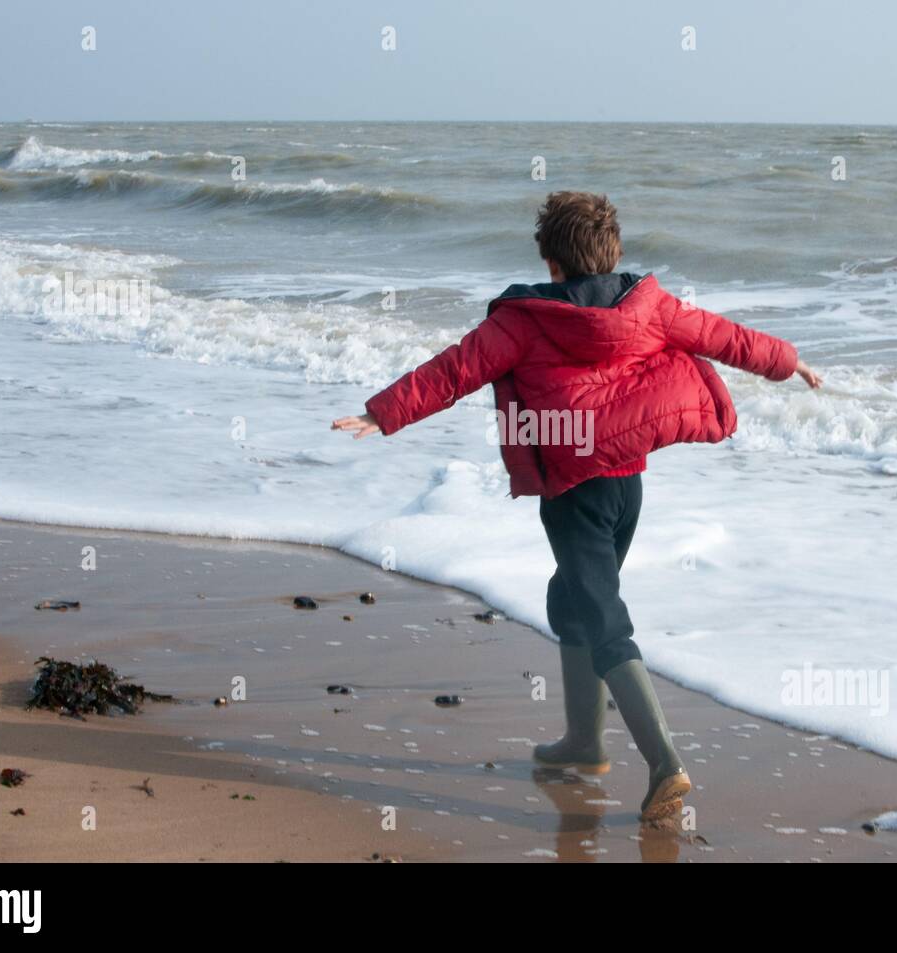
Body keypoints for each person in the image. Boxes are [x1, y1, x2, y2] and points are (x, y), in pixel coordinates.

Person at [333, 191, 822, 820]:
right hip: (626, 488)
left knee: (604, 619)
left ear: (552, 264)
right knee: (572, 599)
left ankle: (665, 763)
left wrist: (383, 412)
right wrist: (789, 362)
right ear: (611, 251)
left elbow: (455, 370)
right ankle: (585, 743)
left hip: (571, 493)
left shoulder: (523, 321)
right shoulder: (649, 305)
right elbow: (721, 336)